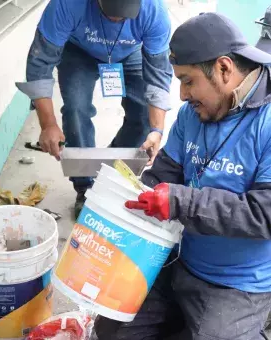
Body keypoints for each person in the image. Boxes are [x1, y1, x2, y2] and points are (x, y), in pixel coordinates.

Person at [94, 12, 271, 340]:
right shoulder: (194, 115)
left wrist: (181, 202)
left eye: (188, 81)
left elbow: (265, 213)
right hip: (179, 259)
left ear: (223, 68)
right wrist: (124, 202)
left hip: (237, 284)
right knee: (111, 324)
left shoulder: (267, 122)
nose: (182, 96)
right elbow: (164, 174)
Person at [16, 0, 173, 218]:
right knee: (76, 110)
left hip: (131, 51)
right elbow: (40, 63)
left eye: (124, 14)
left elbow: (159, 75)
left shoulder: (154, 11)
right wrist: (48, 124)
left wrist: (157, 131)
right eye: (111, 12)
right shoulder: (66, 5)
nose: (117, 19)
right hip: (78, 51)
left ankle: (112, 169)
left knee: (144, 116)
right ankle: (85, 187)